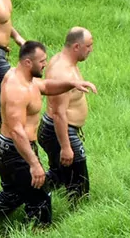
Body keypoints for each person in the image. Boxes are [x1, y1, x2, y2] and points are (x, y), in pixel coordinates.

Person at [0, 41, 96, 228]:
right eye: (42, 61)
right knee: (40, 201)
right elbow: (16, 130)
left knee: (12, 194)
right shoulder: (17, 88)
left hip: (9, 150)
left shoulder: (26, 78)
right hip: (15, 152)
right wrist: (35, 164)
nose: (45, 64)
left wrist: (72, 83)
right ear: (28, 62)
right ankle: (37, 231)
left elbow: (45, 86)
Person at [38, 27, 94, 201]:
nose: (91, 50)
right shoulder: (62, 72)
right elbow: (59, 113)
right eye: (89, 46)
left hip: (57, 130)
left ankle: (31, 193)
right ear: (76, 46)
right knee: (79, 184)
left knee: (60, 175)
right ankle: (79, 214)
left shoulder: (64, 61)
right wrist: (66, 147)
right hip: (60, 131)